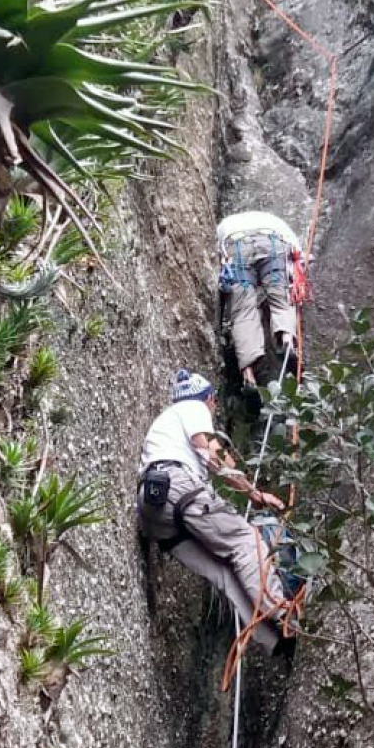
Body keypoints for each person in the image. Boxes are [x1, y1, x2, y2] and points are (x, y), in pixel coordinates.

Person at [137, 369, 294, 654]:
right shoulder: (194, 408)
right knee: (245, 540)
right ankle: (284, 616)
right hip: (177, 487)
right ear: (208, 398)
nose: (215, 407)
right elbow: (211, 452)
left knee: (224, 573)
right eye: (214, 401)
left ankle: (276, 644)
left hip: (153, 511)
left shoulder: (166, 425)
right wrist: (254, 493)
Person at [217, 209, 304, 388]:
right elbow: (297, 256)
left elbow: (220, 255)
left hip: (237, 245)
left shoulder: (225, 224)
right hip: (272, 242)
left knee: (242, 312)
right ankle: (287, 342)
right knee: (280, 299)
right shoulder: (277, 221)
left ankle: (248, 375)